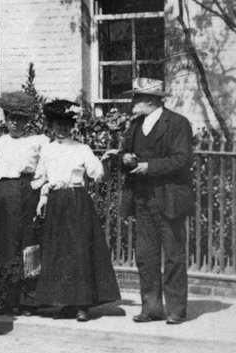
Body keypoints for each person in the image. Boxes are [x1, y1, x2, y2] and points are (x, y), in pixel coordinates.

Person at [106, 78, 194, 325]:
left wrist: (149, 166)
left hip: (171, 199)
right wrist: (126, 159)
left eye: (136, 98)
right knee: (146, 256)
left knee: (174, 256)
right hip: (142, 200)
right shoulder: (136, 125)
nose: (132, 102)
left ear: (150, 101)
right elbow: (124, 151)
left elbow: (182, 159)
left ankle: (176, 310)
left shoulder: (177, 123)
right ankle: (152, 308)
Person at [32, 99, 121, 321]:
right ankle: (65, 302)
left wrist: (104, 162)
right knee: (59, 252)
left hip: (76, 200)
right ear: (51, 126)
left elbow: (96, 174)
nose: (62, 128)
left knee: (78, 251)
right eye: (57, 124)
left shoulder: (82, 149)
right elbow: (42, 177)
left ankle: (82, 304)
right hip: (55, 202)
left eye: (66, 124)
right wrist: (43, 197)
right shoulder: (47, 150)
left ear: (72, 126)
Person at [0, 91, 49, 315]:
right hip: (3, 196)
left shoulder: (38, 141)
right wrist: (0, 182)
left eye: (21, 119)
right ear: (5, 119)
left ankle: (28, 299)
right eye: (12, 118)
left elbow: (44, 167)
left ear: (28, 121)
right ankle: (6, 299)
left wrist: (37, 188)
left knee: (28, 243)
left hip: (28, 192)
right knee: (4, 244)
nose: (16, 123)